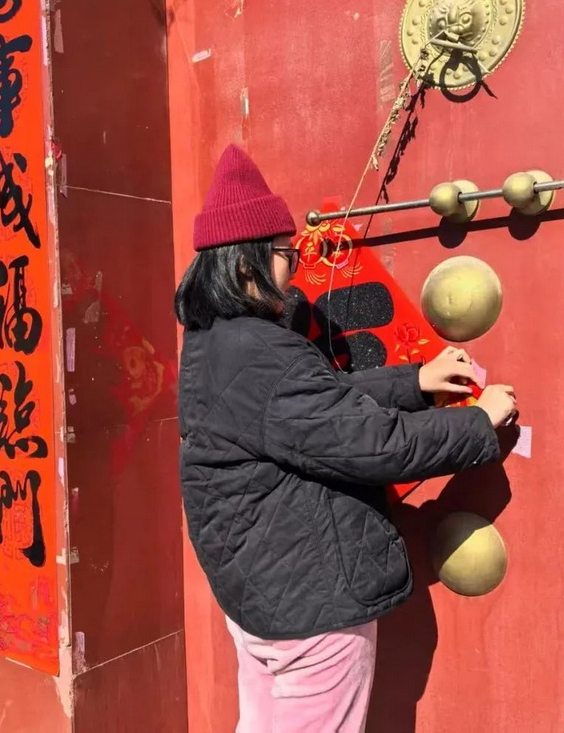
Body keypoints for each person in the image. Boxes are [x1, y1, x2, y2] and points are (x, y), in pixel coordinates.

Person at [175, 145, 517, 733]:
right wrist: (478, 422)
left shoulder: (212, 342)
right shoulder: (263, 352)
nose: (292, 271)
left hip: (261, 593)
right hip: (311, 608)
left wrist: (414, 382)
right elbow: (372, 443)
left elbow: (314, 404)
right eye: (284, 255)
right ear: (244, 265)